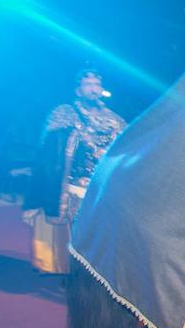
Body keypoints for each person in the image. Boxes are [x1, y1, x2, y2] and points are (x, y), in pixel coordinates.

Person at [26, 70, 126, 275]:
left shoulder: (114, 119)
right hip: (73, 185)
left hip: (101, 185)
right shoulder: (64, 113)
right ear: (78, 90)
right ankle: (73, 270)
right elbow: (50, 152)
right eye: (88, 84)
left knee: (99, 232)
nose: (93, 89)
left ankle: (92, 269)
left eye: (97, 84)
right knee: (77, 232)